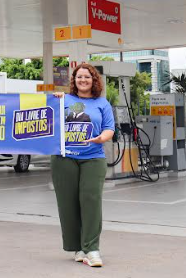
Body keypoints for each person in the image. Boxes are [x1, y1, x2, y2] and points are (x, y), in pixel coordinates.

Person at [52, 63, 114, 268]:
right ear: (74, 80)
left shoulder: (102, 103)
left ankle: (92, 248)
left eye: (87, 77)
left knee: (91, 202)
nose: (83, 80)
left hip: (93, 158)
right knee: (67, 204)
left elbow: (109, 129)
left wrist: (100, 138)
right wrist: (53, 99)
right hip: (64, 158)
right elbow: (48, 117)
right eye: (79, 77)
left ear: (94, 80)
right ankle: (78, 247)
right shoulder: (63, 99)